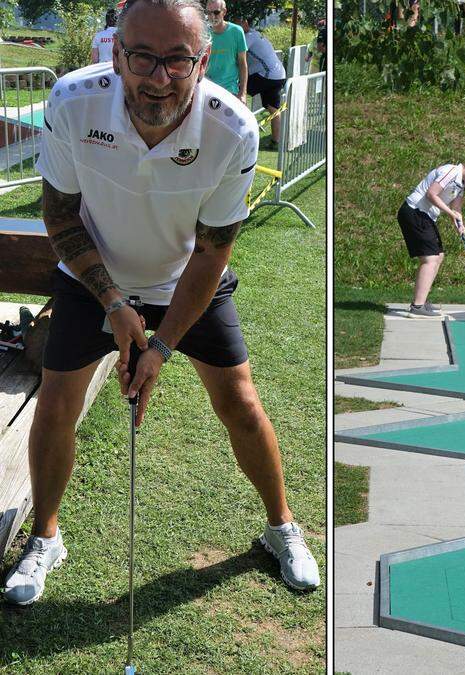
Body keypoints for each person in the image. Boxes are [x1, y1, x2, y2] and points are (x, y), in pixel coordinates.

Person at [2, 0, 320, 605]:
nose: (159, 76)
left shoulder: (234, 129)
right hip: (92, 274)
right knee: (57, 399)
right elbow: (60, 214)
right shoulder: (72, 102)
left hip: (186, 278)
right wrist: (116, 305)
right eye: (142, 56)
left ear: (204, 61)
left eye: (178, 60)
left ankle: (281, 527)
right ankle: (45, 536)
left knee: (240, 400)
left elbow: (212, 252)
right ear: (116, 54)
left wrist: (162, 345)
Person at [397, 157, 465, 317]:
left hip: (425, 216)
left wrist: (459, 222)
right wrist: (450, 214)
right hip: (414, 212)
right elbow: (431, 194)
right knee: (430, 259)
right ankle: (417, 307)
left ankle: (422, 299)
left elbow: (456, 207)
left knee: (438, 256)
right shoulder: (451, 171)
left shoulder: (461, 184)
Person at [235, 16, 285, 148]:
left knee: (238, 94)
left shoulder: (248, 36)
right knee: (273, 109)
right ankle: (275, 142)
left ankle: (240, 132)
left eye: (237, 23)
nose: (235, 27)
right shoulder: (256, 34)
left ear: (245, 23)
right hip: (278, 75)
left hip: (268, 75)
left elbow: (237, 55)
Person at [204, 0, 247, 102]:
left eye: (216, 12)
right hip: (207, 90)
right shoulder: (203, 33)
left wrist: (243, 93)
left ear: (224, 12)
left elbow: (242, 63)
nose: (212, 16)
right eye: (208, 12)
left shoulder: (236, 31)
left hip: (230, 90)